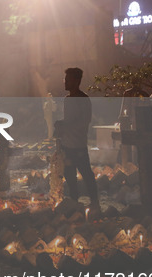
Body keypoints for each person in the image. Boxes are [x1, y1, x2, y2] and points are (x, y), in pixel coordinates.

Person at [54, 67, 99, 209]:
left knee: (87, 174)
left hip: (78, 145)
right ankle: (75, 205)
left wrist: (65, 126)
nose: (65, 82)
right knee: (70, 178)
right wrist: (61, 126)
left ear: (77, 81)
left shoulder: (83, 99)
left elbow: (83, 121)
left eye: (68, 79)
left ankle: (95, 203)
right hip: (67, 145)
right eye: (65, 79)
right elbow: (69, 120)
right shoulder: (67, 100)